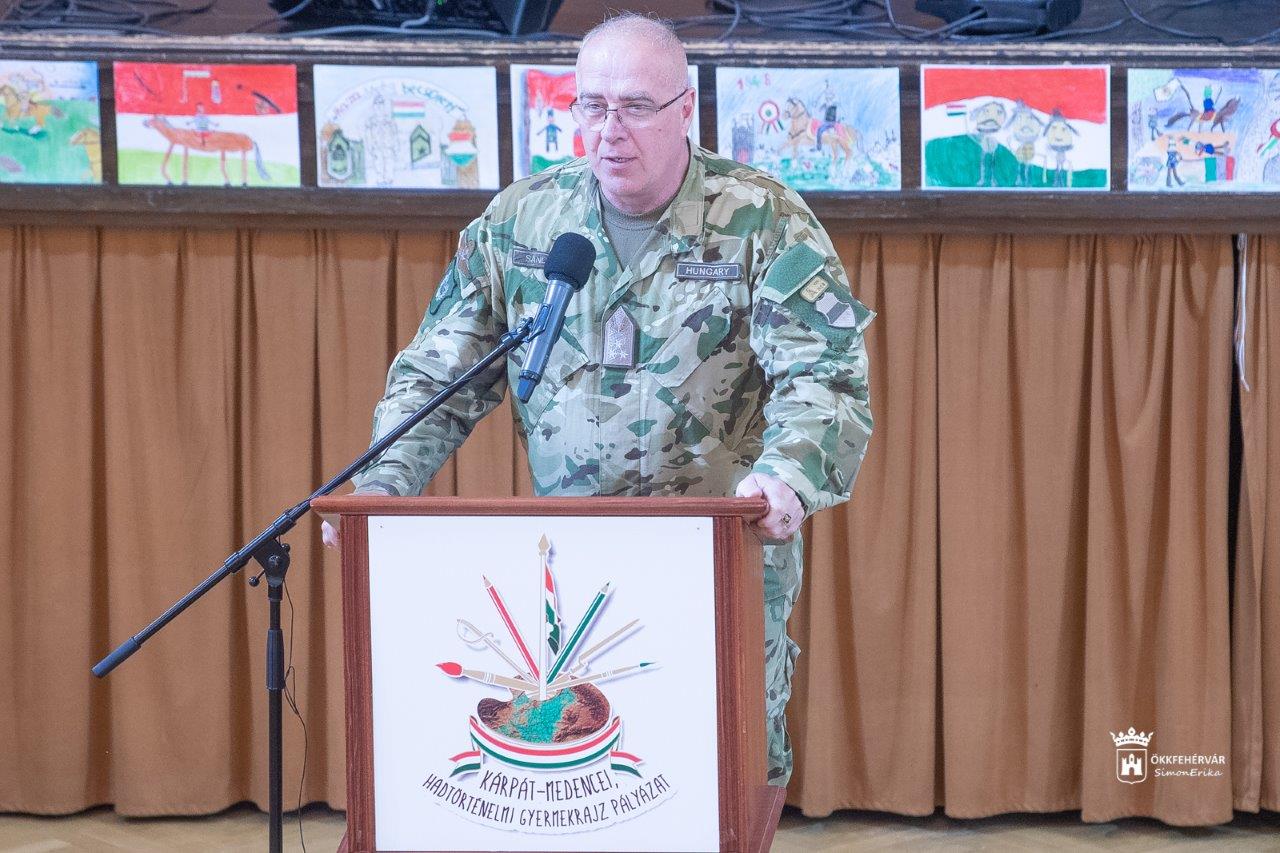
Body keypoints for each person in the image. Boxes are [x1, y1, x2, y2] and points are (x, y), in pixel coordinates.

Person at [322, 13, 873, 787]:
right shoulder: (524, 222)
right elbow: (439, 376)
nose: (610, 129)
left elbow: (826, 374)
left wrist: (788, 472)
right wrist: (383, 483)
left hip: (722, 562)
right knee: (586, 780)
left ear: (685, 108)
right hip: (572, 574)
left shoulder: (764, 219)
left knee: (725, 779)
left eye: (636, 106)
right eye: (592, 105)